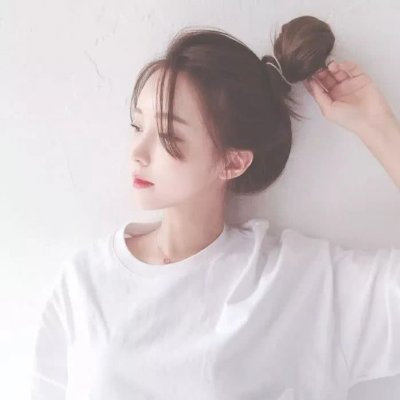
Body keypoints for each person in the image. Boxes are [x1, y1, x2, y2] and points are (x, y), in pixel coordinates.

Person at [30, 15, 400, 400]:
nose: (138, 152)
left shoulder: (294, 283)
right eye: (138, 126)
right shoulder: (85, 281)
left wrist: (377, 124)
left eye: (168, 135)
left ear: (232, 162)